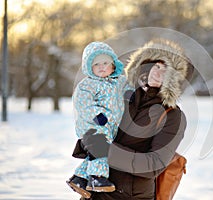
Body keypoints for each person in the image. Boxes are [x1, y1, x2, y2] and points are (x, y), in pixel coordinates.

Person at [81, 38, 194, 200]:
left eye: (165, 70)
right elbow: (96, 130)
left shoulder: (172, 116)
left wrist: (106, 151)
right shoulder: (120, 99)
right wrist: (86, 142)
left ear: (174, 79)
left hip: (131, 196)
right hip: (95, 190)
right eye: (156, 66)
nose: (157, 72)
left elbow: (153, 165)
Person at [67, 41, 130, 199]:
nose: (101, 67)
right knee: (101, 150)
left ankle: (80, 179)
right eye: (96, 64)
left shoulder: (120, 82)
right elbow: (83, 103)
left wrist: (130, 95)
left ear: (114, 65)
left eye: (105, 63)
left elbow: (130, 90)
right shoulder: (87, 85)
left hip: (110, 127)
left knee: (97, 153)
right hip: (94, 125)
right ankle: (97, 178)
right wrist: (97, 115)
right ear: (89, 67)